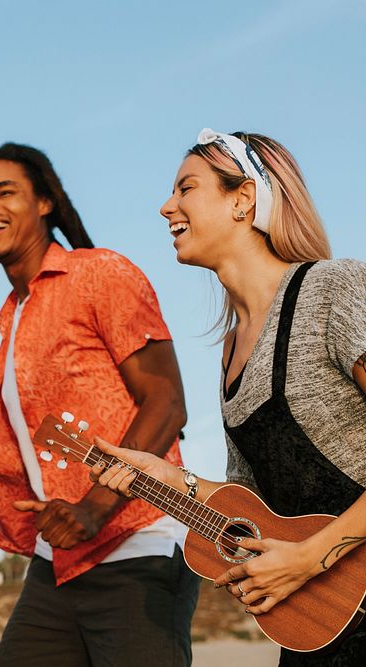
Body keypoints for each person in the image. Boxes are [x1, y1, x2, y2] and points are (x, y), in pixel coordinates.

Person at [0, 143, 199, 666]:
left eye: (6, 192)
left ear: (45, 202)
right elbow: (33, 452)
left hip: (138, 545)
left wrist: (94, 508)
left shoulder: (100, 273)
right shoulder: (12, 313)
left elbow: (166, 402)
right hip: (58, 562)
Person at [93, 128, 366, 665]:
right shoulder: (230, 352)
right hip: (323, 626)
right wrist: (170, 479)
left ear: (242, 200)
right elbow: (253, 505)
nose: (165, 205)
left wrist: (310, 558)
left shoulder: (336, 289)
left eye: (186, 187)